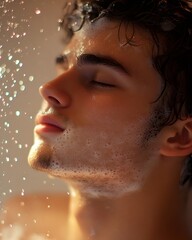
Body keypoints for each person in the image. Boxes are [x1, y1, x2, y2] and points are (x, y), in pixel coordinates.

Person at [1, 0, 192, 239]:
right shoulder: (19, 223)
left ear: (180, 136)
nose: (49, 89)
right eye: (64, 68)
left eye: (100, 80)